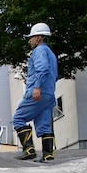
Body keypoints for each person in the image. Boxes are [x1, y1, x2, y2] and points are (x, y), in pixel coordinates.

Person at [12, 23, 58, 162]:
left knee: (18, 118)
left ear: (38, 38)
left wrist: (36, 86)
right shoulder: (51, 53)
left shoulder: (39, 51)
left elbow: (42, 69)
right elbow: (54, 75)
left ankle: (29, 150)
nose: (30, 40)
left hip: (38, 93)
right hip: (49, 94)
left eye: (31, 38)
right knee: (44, 124)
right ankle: (48, 155)